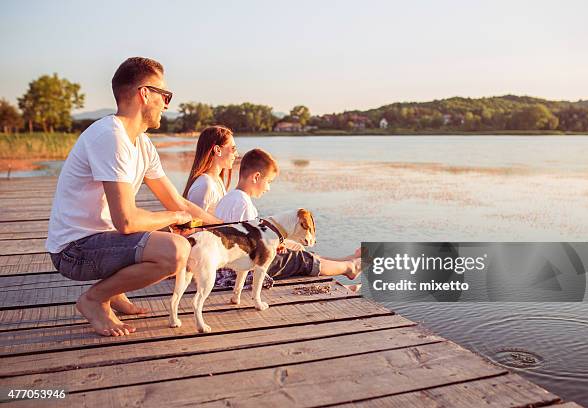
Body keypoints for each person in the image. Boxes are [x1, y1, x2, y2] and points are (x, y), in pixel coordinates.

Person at [46, 57, 221, 337]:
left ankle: (115, 292)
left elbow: (177, 201)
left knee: (170, 234)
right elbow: (126, 221)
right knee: (175, 251)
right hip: (73, 251)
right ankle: (94, 299)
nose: (167, 104)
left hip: (99, 241)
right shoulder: (110, 137)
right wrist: (176, 218)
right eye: (165, 95)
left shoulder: (141, 142)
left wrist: (231, 228)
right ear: (144, 93)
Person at [185, 144, 361, 283]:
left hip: (225, 260)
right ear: (256, 177)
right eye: (268, 181)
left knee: (295, 247)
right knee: (298, 257)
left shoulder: (231, 197)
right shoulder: (243, 203)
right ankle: (348, 267)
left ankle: (344, 261)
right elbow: (248, 248)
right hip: (235, 269)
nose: (268, 188)